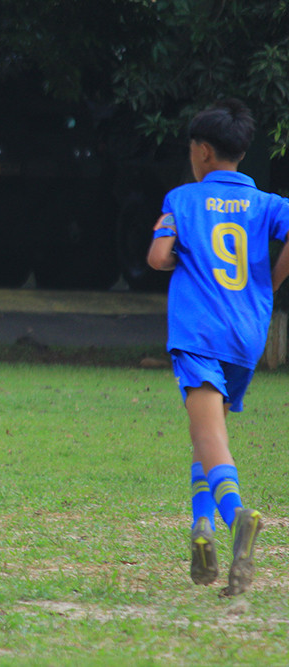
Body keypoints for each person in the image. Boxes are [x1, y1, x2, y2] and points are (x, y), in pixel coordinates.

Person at [147, 99, 289, 596]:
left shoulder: (182, 199)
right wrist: (271, 281)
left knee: (208, 436)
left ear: (203, 151)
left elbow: (158, 256)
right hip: (246, 335)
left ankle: (235, 516)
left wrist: (180, 259)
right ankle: (200, 528)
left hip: (199, 333)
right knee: (207, 435)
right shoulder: (266, 203)